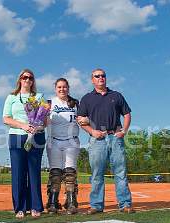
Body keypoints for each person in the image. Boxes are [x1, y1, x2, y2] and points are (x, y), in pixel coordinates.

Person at [77, 68, 133, 214]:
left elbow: (127, 114)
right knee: (97, 173)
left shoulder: (116, 95)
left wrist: (124, 131)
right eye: (97, 76)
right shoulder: (87, 98)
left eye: (103, 76)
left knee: (120, 172)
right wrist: (92, 131)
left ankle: (125, 204)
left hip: (115, 137)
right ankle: (96, 205)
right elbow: (80, 120)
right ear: (92, 79)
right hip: (97, 140)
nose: (101, 78)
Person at [3, 69, 45, 219]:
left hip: (36, 138)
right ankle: (20, 207)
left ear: (33, 81)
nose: (27, 80)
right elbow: (6, 119)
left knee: (34, 173)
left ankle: (35, 206)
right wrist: (23, 126)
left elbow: (44, 121)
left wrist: (36, 127)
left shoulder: (39, 97)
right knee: (18, 173)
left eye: (30, 78)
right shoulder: (12, 97)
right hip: (17, 137)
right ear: (20, 80)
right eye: (24, 77)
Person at [46, 78, 80, 215]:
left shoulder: (75, 103)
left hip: (71, 141)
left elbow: (83, 119)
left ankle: (71, 202)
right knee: (55, 173)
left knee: (70, 173)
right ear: (55, 88)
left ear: (68, 88)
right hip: (54, 140)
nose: (62, 89)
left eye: (64, 87)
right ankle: (53, 201)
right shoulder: (49, 103)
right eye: (59, 87)